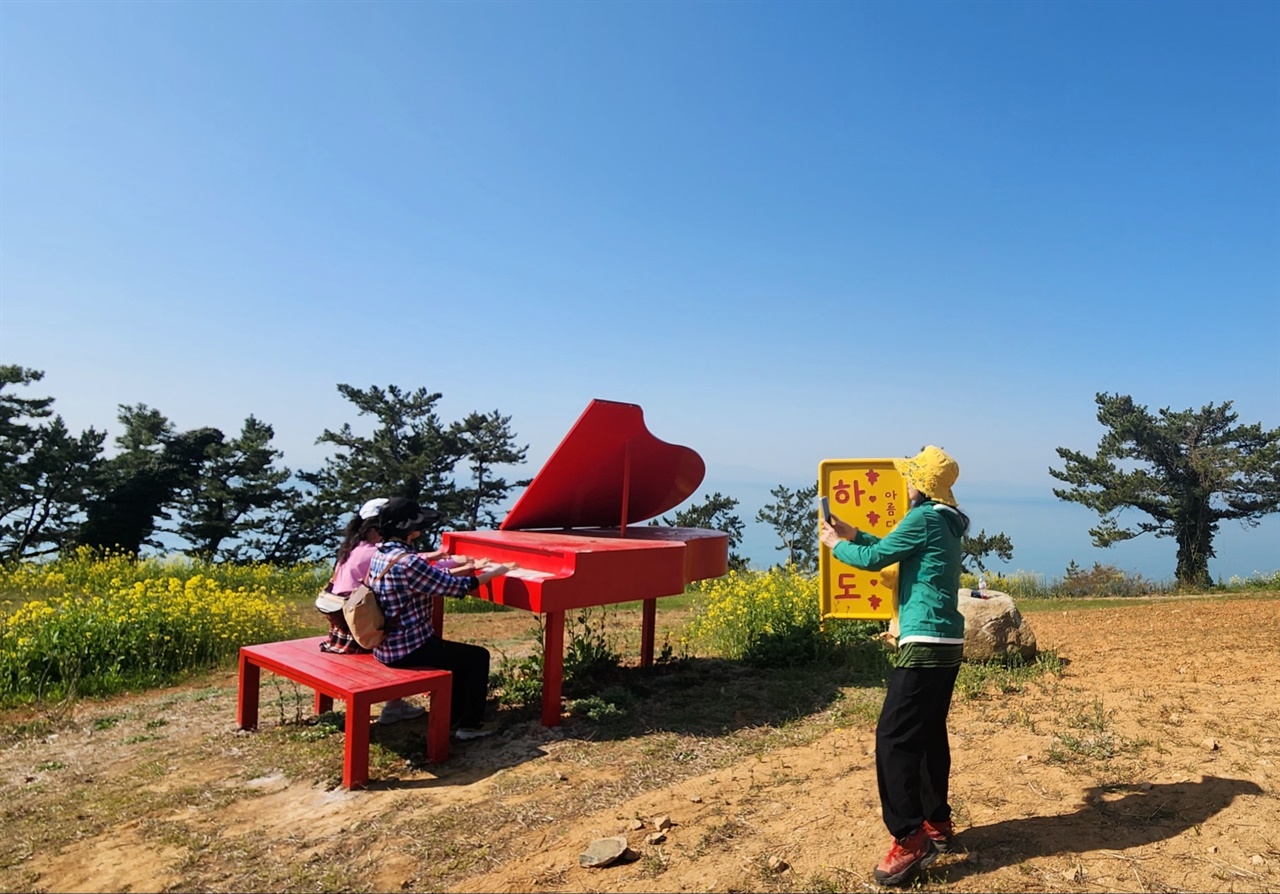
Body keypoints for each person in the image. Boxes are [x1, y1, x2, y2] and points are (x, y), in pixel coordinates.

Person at [818, 445, 969, 887]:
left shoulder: (922, 517)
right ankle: (936, 821)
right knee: (926, 730)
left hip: (923, 639)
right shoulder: (944, 521)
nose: (904, 483)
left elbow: (875, 560)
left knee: (893, 736)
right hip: (948, 640)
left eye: (909, 477)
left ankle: (909, 837)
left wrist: (834, 543)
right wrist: (852, 533)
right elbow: (889, 548)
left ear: (920, 483)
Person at [367, 497, 512, 740]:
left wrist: (465, 567)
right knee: (477, 657)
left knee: (457, 657)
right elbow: (455, 587)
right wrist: (497, 571)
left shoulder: (382, 554)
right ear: (408, 529)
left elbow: (428, 578)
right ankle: (468, 726)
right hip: (409, 648)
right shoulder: (409, 561)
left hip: (385, 645)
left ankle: (454, 715)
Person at [315, 497, 438, 725]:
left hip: (343, 626)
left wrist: (433, 557)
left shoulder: (355, 547)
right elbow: (408, 565)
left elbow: (409, 561)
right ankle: (394, 705)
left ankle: (396, 704)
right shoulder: (375, 552)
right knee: (398, 632)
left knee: (391, 618)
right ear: (377, 527)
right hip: (359, 633)